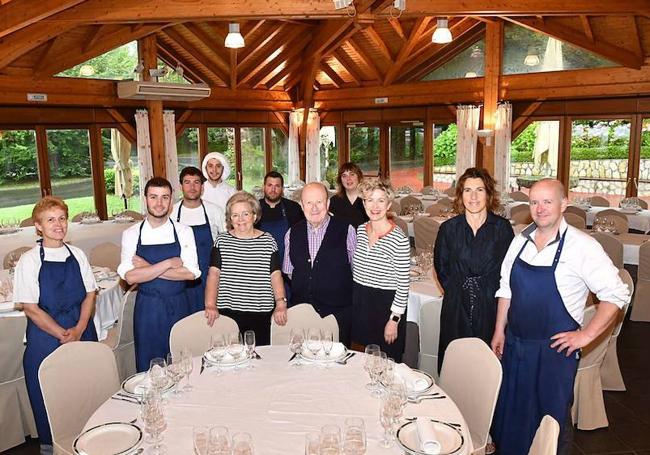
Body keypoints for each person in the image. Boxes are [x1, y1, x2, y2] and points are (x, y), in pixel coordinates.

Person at [490, 179, 630, 455]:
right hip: (516, 347)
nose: (540, 209)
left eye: (547, 201)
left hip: (553, 353)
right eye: (534, 202)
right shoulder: (520, 241)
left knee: (550, 423)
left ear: (564, 204)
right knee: (512, 416)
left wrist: (586, 335)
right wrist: (499, 330)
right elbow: (506, 288)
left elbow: (617, 294)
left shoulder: (582, 246)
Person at [14, 196, 98, 453]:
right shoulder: (29, 261)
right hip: (46, 336)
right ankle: (54, 447)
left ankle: (92, 442)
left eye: (62, 218)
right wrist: (64, 334)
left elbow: (90, 294)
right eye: (50, 220)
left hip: (81, 329)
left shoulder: (77, 254)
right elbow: (31, 308)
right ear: (38, 226)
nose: (58, 224)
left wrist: (81, 327)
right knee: (51, 397)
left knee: (85, 390)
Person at [433, 167, 513, 370]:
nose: (474, 196)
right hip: (456, 306)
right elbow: (441, 268)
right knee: (456, 364)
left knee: (487, 365)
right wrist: (458, 291)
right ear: (460, 195)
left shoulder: (502, 228)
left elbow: (509, 272)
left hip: (490, 306)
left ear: (489, 193)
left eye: (479, 190)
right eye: (467, 190)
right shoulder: (449, 229)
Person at [118, 177, 200, 372]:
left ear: (171, 201)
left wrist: (146, 267)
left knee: (181, 363)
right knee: (150, 366)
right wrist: (168, 263)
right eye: (153, 197)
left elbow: (191, 273)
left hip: (179, 305)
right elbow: (130, 277)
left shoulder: (183, 231)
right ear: (145, 199)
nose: (159, 203)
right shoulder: (131, 233)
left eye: (165, 197)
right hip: (148, 310)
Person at [204, 191, 288, 345]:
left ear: (254, 216)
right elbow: (213, 274)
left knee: (259, 359)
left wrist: (281, 303)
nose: (240, 219)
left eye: (245, 214)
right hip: (227, 311)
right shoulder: (221, 241)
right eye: (235, 215)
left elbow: (276, 275)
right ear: (230, 219)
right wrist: (210, 305)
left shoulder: (268, 241)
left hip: (261, 312)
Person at [283, 182, 357, 346]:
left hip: (338, 314)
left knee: (337, 365)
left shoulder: (347, 231)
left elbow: (355, 272)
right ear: (302, 206)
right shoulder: (291, 233)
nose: (314, 208)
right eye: (309, 203)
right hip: (303, 313)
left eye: (319, 202)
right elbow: (289, 272)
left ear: (328, 203)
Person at [351, 179, 410, 361]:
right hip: (361, 303)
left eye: (381, 200)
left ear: (389, 204)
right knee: (361, 361)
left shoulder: (398, 239)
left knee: (386, 364)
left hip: (385, 308)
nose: (375, 206)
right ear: (363, 203)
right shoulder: (360, 231)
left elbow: (403, 285)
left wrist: (394, 320)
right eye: (370, 200)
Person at [171, 166, 225, 314]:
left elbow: (226, 243)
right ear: (181, 186)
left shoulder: (215, 211)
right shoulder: (171, 213)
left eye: (196, 182)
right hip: (181, 278)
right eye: (187, 182)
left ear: (202, 186)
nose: (192, 187)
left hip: (210, 277)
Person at [255, 170, 304, 260]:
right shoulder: (254, 208)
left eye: (277, 186)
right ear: (264, 187)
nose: (273, 190)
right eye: (270, 185)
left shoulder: (293, 208)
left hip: (287, 261)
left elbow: (302, 236)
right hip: (260, 261)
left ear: (282, 189)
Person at [329, 162, 369, 229]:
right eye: (344, 176)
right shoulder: (333, 201)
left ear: (359, 177)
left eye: (352, 174)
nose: (348, 179)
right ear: (340, 180)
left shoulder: (368, 199)